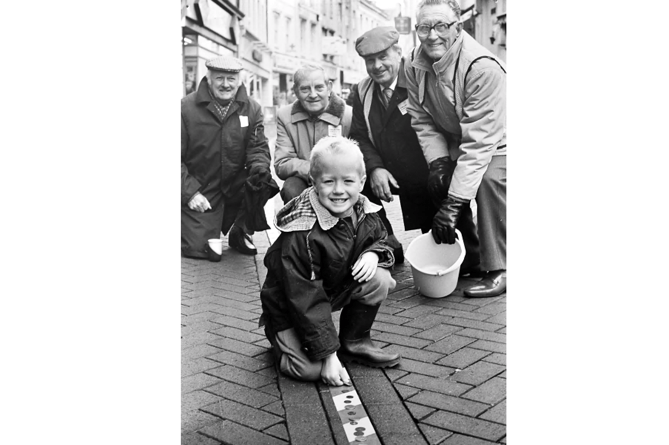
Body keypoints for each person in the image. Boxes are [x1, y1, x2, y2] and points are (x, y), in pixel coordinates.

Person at [259, 136, 401, 386]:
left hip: (330, 290)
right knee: (311, 370)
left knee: (379, 278)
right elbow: (305, 297)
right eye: (328, 181)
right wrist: (328, 355)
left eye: (348, 181)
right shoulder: (302, 232)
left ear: (362, 182)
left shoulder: (365, 210)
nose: (338, 190)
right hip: (290, 306)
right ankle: (281, 342)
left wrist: (373, 253)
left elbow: (380, 239)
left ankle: (355, 341)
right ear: (313, 183)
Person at [350, 26, 482, 269]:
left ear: (398, 52)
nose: (377, 66)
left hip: (427, 171)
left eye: (383, 57)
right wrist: (375, 168)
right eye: (370, 61)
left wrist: (440, 168)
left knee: (444, 236)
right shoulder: (361, 90)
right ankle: (385, 244)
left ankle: (471, 261)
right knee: (354, 185)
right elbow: (359, 136)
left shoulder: (420, 78)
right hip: (389, 172)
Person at [405, 0, 507, 298]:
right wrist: (438, 163)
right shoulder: (413, 62)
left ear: (458, 27)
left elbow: (479, 145)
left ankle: (501, 267)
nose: (432, 35)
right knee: (440, 181)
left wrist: (452, 206)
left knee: (488, 181)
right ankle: (472, 257)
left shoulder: (482, 67)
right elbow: (421, 118)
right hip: (456, 139)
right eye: (425, 27)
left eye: (441, 26)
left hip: (499, 141)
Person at [181, 55, 278, 260]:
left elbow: (258, 147)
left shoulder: (252, 108)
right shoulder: (185, 108)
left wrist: (259, 169)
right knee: (198, 249)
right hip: (202, 188)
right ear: (208, 79)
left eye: (231, 79)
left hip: (234, 185)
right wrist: (190, 193)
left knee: (262, 181)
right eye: (219, 78)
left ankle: (240, 230)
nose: (225, 84)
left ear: (239, 80)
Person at [273, 64, 352, 203]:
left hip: (342, 180)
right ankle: (302, 223)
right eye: (305, 89)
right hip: (305, 179)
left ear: (329, 87)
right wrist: (317, 171)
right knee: (291, 187)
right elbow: (282, 163)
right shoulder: (284, 116)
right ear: (296, 92)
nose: (313, 95)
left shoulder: (348, 115)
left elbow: (359, 159)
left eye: (319, 87)